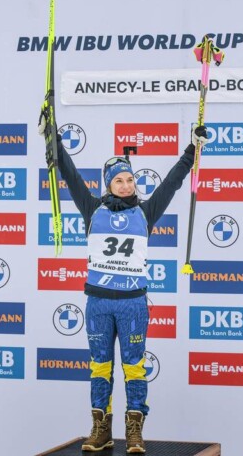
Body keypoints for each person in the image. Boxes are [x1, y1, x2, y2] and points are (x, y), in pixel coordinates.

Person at [47, 122, 207, 454]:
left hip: (132, 304)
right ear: (108, 184)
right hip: (98, 303)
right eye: (118, 180)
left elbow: (173, 181)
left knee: (134, 366)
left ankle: (134, 430)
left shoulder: (145, 211)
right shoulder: (92, 208)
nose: (125, 185)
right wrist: (53, 139)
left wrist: (193, 150)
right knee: (100, 366)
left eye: (130, 179)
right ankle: (101, 428)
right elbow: (69, 174)